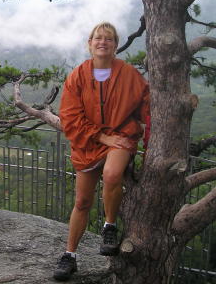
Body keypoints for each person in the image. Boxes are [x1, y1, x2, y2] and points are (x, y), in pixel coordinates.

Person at [53, 22, 150, 281]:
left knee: (111, 174)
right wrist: (100, 136)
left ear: (116, 45)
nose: (103, 42)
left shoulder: (129, 75)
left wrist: (148, 143)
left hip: (120, 137)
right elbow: (70, 116)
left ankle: (110, 226)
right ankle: (70, 255)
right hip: (88, 142)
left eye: (108, 39)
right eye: (98, 38)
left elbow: (148, 108)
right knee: (82, 202)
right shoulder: (78, 76)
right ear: (90, 43)